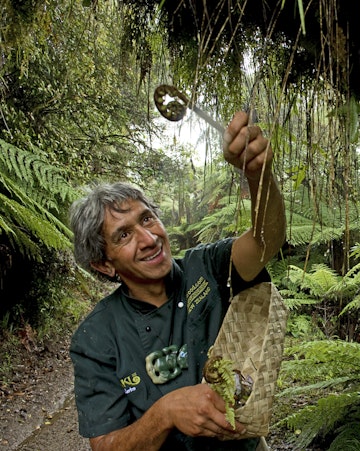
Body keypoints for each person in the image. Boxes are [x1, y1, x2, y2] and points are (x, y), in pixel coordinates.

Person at [68, 111, 286, 451]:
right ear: (103, 265)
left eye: (147, 219)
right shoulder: (96, 337)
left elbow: (264, 242)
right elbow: (106, 445)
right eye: (124, 235)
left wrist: (258, 175)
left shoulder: (207, 266)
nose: (149, 238)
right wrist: (165, 413)